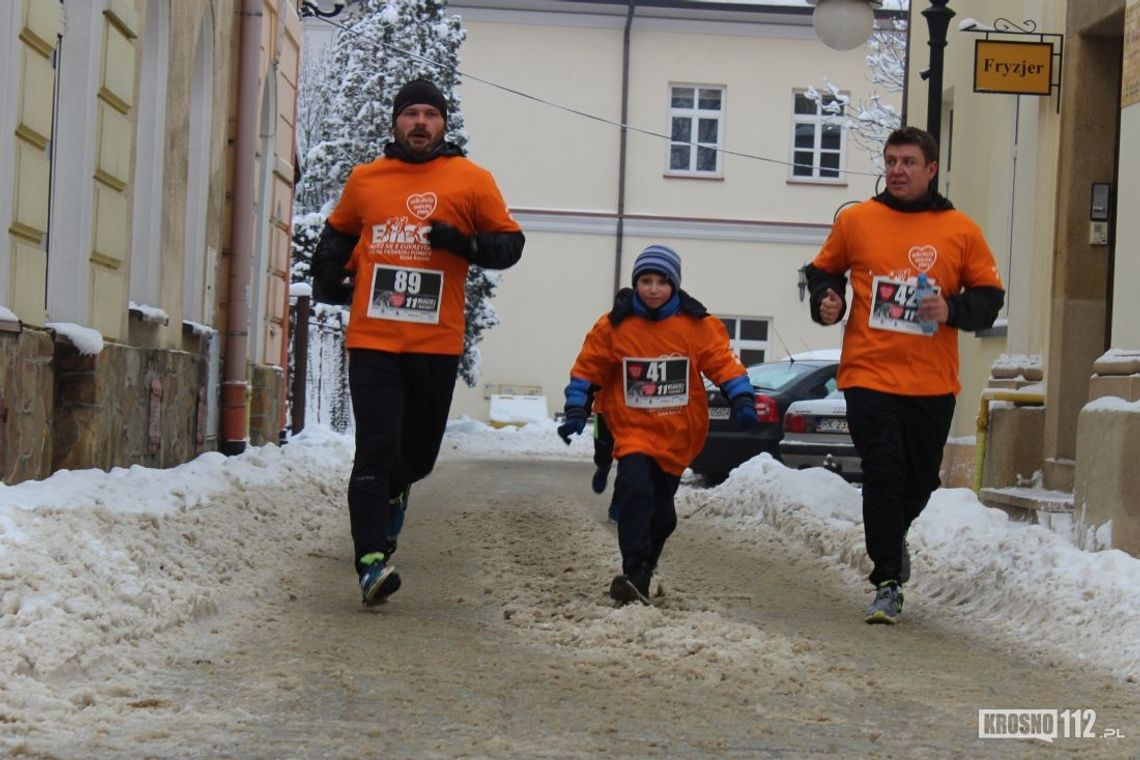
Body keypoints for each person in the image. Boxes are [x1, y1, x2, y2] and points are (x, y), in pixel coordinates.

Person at [310, 78, 524, 606]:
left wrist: (462, 242)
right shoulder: (366, 180)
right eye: (411, 114)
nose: (421, 123)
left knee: (419, 457)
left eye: (430, 113)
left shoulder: (471, 180)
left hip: (435, 344)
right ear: (396, 122)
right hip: (374, 339)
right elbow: (338, 233)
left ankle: (398, 489)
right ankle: (370, 561)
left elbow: (510, 245)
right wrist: (327, 271)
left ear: (443, 124)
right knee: (375, 449)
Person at [804, 126, 1004, 624]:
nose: (896, 170)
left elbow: (989, 299)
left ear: (931, 169)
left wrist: (951, 308)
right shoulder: (858, 221)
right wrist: (828, 302)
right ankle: (888, 579)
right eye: (891, 161)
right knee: (883, 472)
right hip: (868, 373)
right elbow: (823, 271)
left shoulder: (960, 229)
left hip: (932, 382)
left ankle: (893, 539)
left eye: (908, 162)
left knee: (917, 482)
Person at [558, 245, 762, 605]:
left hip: (679, 432)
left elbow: (724, 364)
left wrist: (742, 399)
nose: (653, 289)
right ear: (635, 284)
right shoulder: (613, 325)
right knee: (635, 487)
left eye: (661, 282)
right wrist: (576, 408)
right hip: (633, 429)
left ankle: (646, 566)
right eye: (645, 281)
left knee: (663, 513)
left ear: (675, 285)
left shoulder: (697, 325)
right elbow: (588, 368)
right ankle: (633, 569)